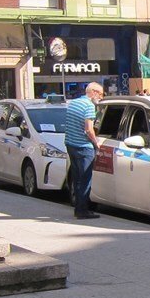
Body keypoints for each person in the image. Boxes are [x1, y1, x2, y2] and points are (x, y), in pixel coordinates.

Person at [64, 82, 104, 220]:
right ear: (94, 92)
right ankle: (82, 210)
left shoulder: (73, 103)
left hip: (70, 145)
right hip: (84, 147)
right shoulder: (89, 106)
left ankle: (77, 208)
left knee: (77, 179)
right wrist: (96, 142)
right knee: (86, 179)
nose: (101, 98)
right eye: (100, 94)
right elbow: (88, 129)